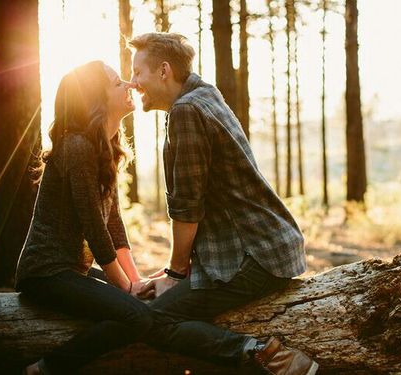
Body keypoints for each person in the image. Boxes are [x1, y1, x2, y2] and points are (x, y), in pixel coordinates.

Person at [129, 32, 319, 375]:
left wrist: (174, 273)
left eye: (138, 72)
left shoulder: (187, 110)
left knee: (152, 318)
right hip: (264, 247)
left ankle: (271, 357)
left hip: (254, 256)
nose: (133, 82)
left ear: (163, 71)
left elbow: (187, 207)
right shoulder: (203, 94)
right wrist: (176, 271)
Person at [16, 61, 153, 375]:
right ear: (98, 99)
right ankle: (43, 369)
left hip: (70, 270)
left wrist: (134, 281)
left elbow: (114, 224)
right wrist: (124, 285)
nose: (130, 85)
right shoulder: (76, 147)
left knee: (141, 305)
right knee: (139, 317)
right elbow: (93, 223)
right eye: (119, 83)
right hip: (45, 273)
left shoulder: (106, 148)